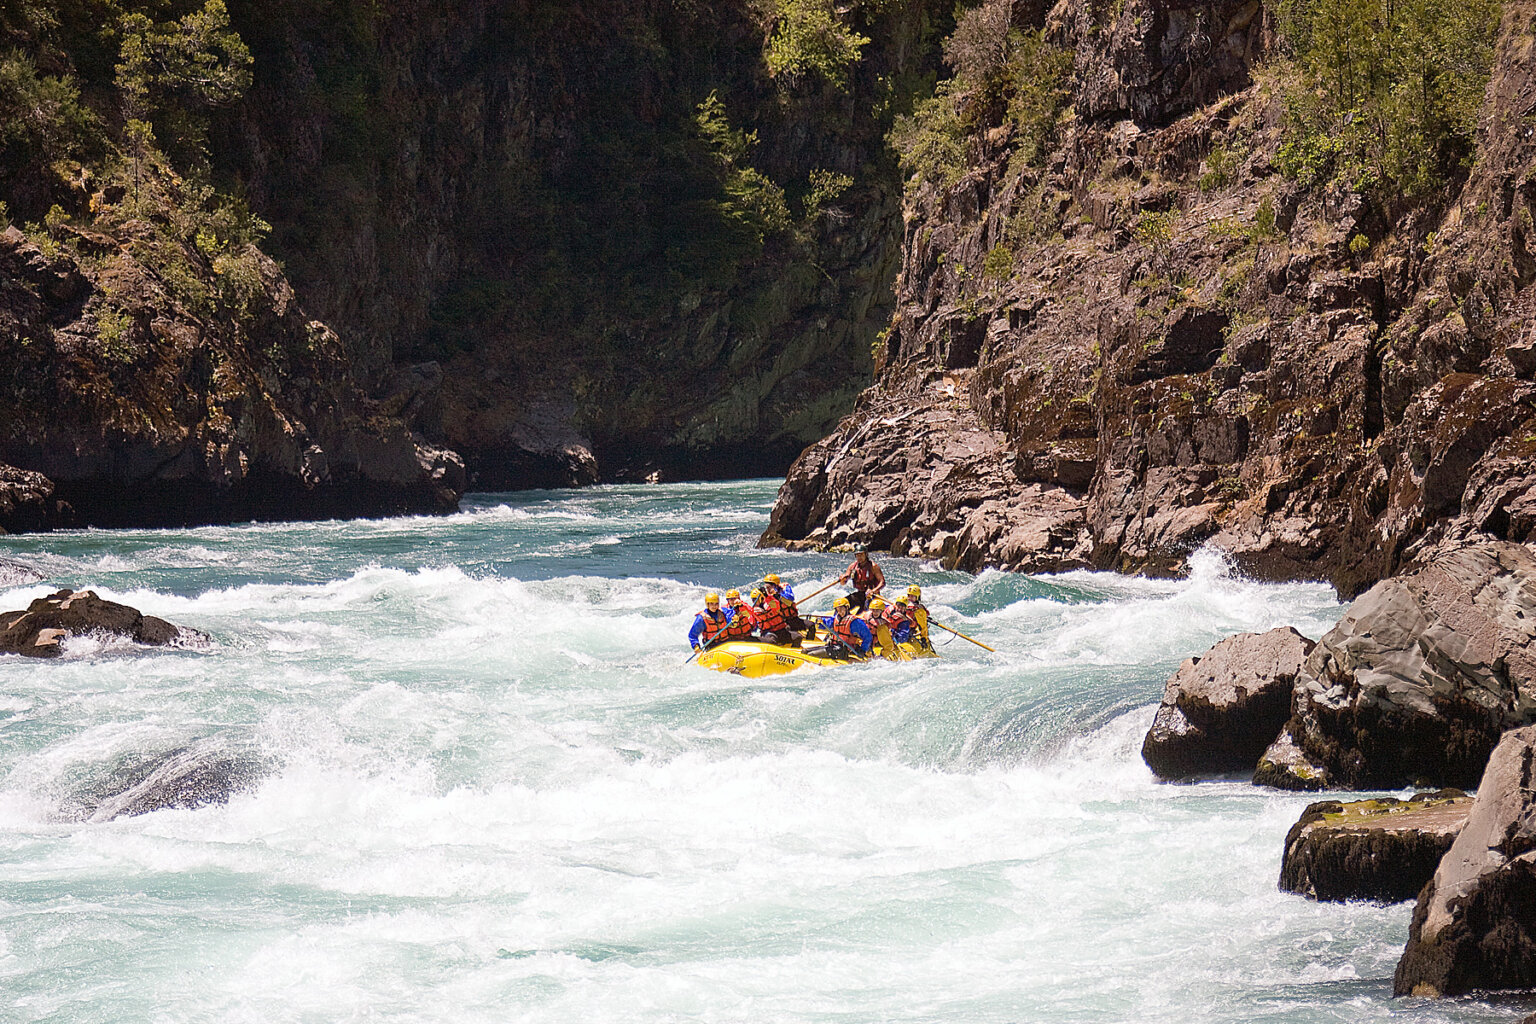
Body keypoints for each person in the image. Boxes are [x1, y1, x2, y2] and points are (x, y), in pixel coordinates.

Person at [759, 574, 810, 645]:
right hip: (780, 624)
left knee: (810, 626)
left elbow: (790, 599)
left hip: (792, 619)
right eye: (766, 586)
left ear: (776, 585)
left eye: (770, 586)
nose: (768, 589)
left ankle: (808, 643)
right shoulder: (765, 597)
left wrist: (778, 594)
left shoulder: (784, 589)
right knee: (786, 630)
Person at [904, 585, 932, 649]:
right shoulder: (904, 605)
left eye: (912, 596)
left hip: (913, 628)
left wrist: (924, 638)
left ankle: (924, 639)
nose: (910, 598)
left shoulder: (919, 609)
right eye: (909, 596)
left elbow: (923, 624)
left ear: (917, 597)